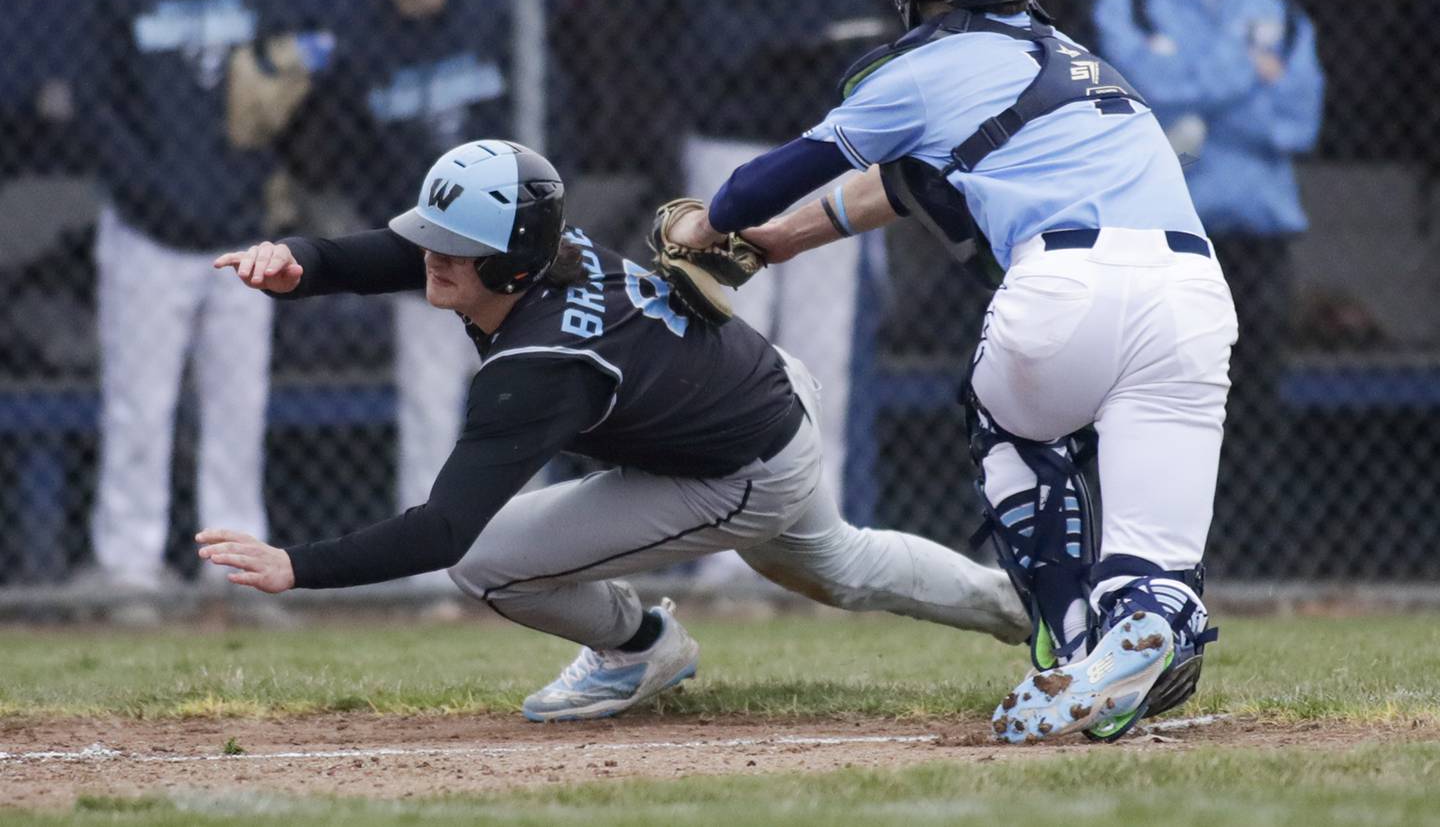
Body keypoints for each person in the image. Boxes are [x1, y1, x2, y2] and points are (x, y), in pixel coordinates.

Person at [661, 0, 1238, 742]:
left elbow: (765, 181)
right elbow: (901, 186)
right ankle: (1148, 619)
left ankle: (1074, 641)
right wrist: (781, 244)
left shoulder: (918, 67)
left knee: (1007, 419)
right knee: (1154, 563)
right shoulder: (1085, 63)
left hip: (1063, 286)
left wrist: (717, 223)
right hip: (1194, 296)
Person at [201, 139, 1027, 722]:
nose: (430, 256)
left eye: (454, 246)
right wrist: (300, 261)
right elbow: (387, 253)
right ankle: (1034, 607)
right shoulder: (539, 254)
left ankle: (640, 646)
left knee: (484, 562)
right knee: (844, 564)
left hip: (741, 465)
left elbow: (443, 530)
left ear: (514, 262)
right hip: (760, 395)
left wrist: (295, 566)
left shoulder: (541, 365)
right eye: (432, 235)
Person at [645, 0, 895, 518]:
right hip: (731, 128)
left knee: (823, 348)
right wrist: (733, 48)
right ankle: (726, 537)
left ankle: (815, 529)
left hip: (831, 137)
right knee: (730, 336)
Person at [79, 0, 322, 600]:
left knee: (237, 408)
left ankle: (233, 574)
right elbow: (97, 108)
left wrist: (261, 182)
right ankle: (128, 569)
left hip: (238, 232)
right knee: (139, 407)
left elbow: (291, 95)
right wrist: (152, 191)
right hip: (148, 233)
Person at [1091, 0, 1323, 482]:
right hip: (1169, 227)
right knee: (1160, 391)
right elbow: (1146, 90)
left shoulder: (1274, 1)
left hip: (1256, 228)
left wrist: (1199, 102)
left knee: (1252, 395)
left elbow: (1299, 118)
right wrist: (1250, 74)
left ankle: (1256, 556)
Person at [298, 0, 510, 515]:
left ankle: (530, 556)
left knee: (520, 405)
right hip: (429, 257)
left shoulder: (497, 19)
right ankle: (432, 569)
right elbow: (347, 157)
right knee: (428, 407)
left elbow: (554, 127)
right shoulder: (359, 44)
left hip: (508, 253)